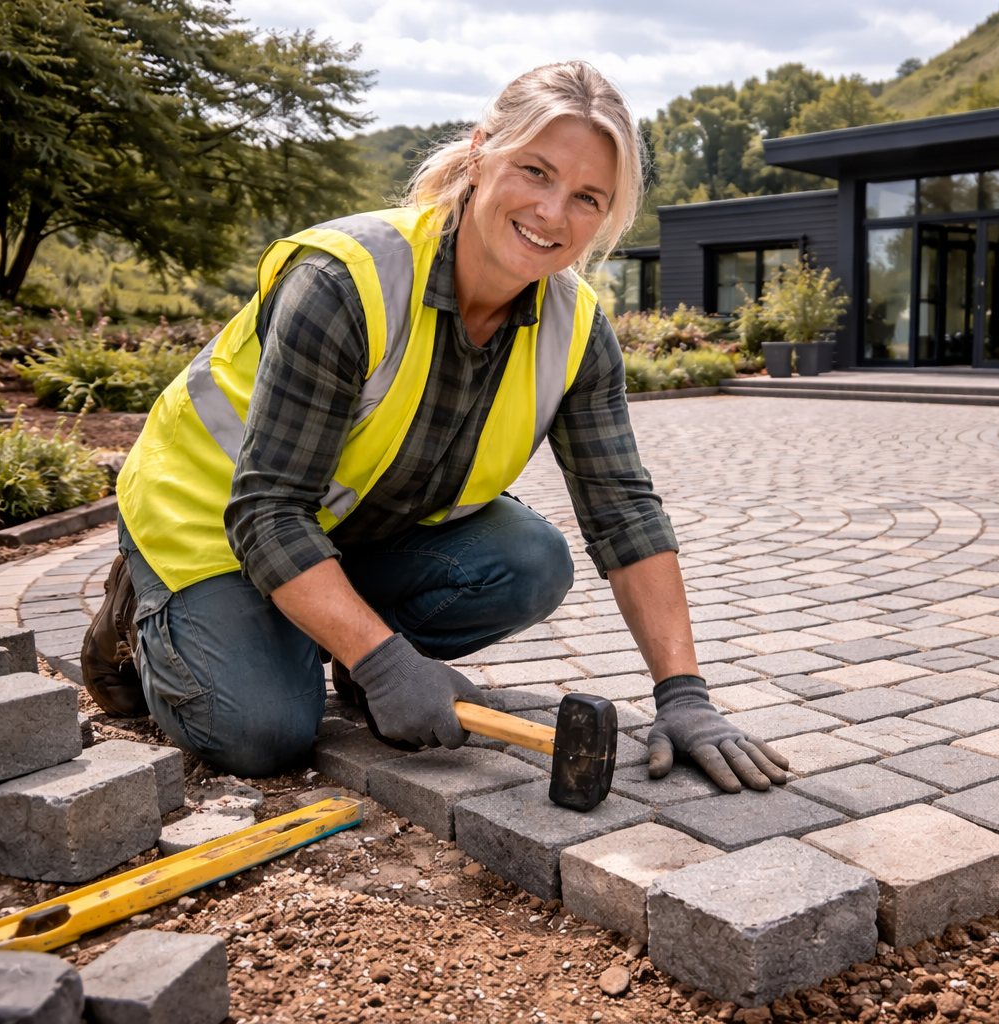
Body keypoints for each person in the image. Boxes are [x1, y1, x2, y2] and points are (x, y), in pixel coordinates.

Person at [86, 62, 787, 795]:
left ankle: (334, 638)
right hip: (212, 523)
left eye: (587, 197)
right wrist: (386, 661)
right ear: (481, 153)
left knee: (530, 561)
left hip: (346, 530)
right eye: (536, 172)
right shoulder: (347, 283)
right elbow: (267, 512)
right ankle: (145, 617)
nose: (553, 213)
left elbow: (624, 513)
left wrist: (684, 696)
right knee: (263, 731)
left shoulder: (575, 330)